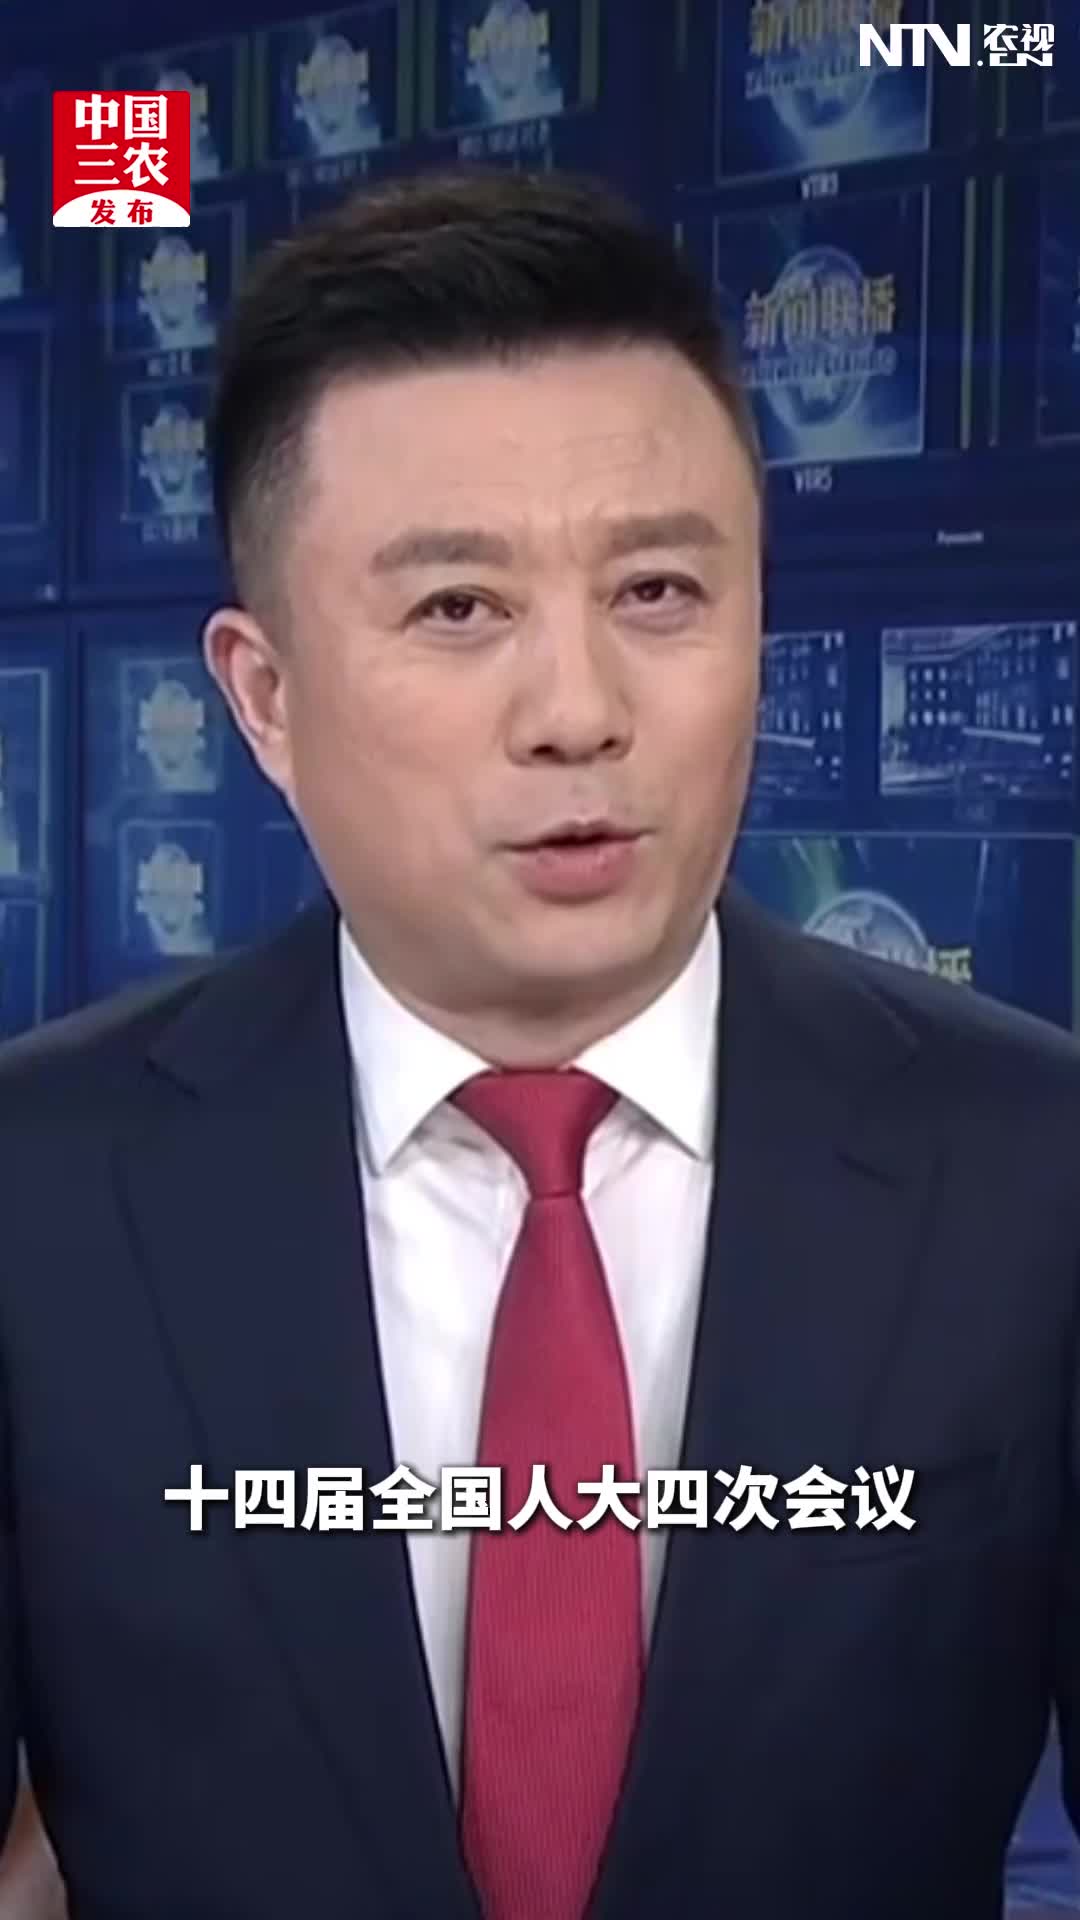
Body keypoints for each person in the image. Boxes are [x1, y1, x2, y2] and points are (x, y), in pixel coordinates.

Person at [0, 166, 1079, 1920]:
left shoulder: (1036, 1166)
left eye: (658, 592)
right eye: (458, 609)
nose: (579, 713)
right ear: (263, 697)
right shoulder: (37, 1193)